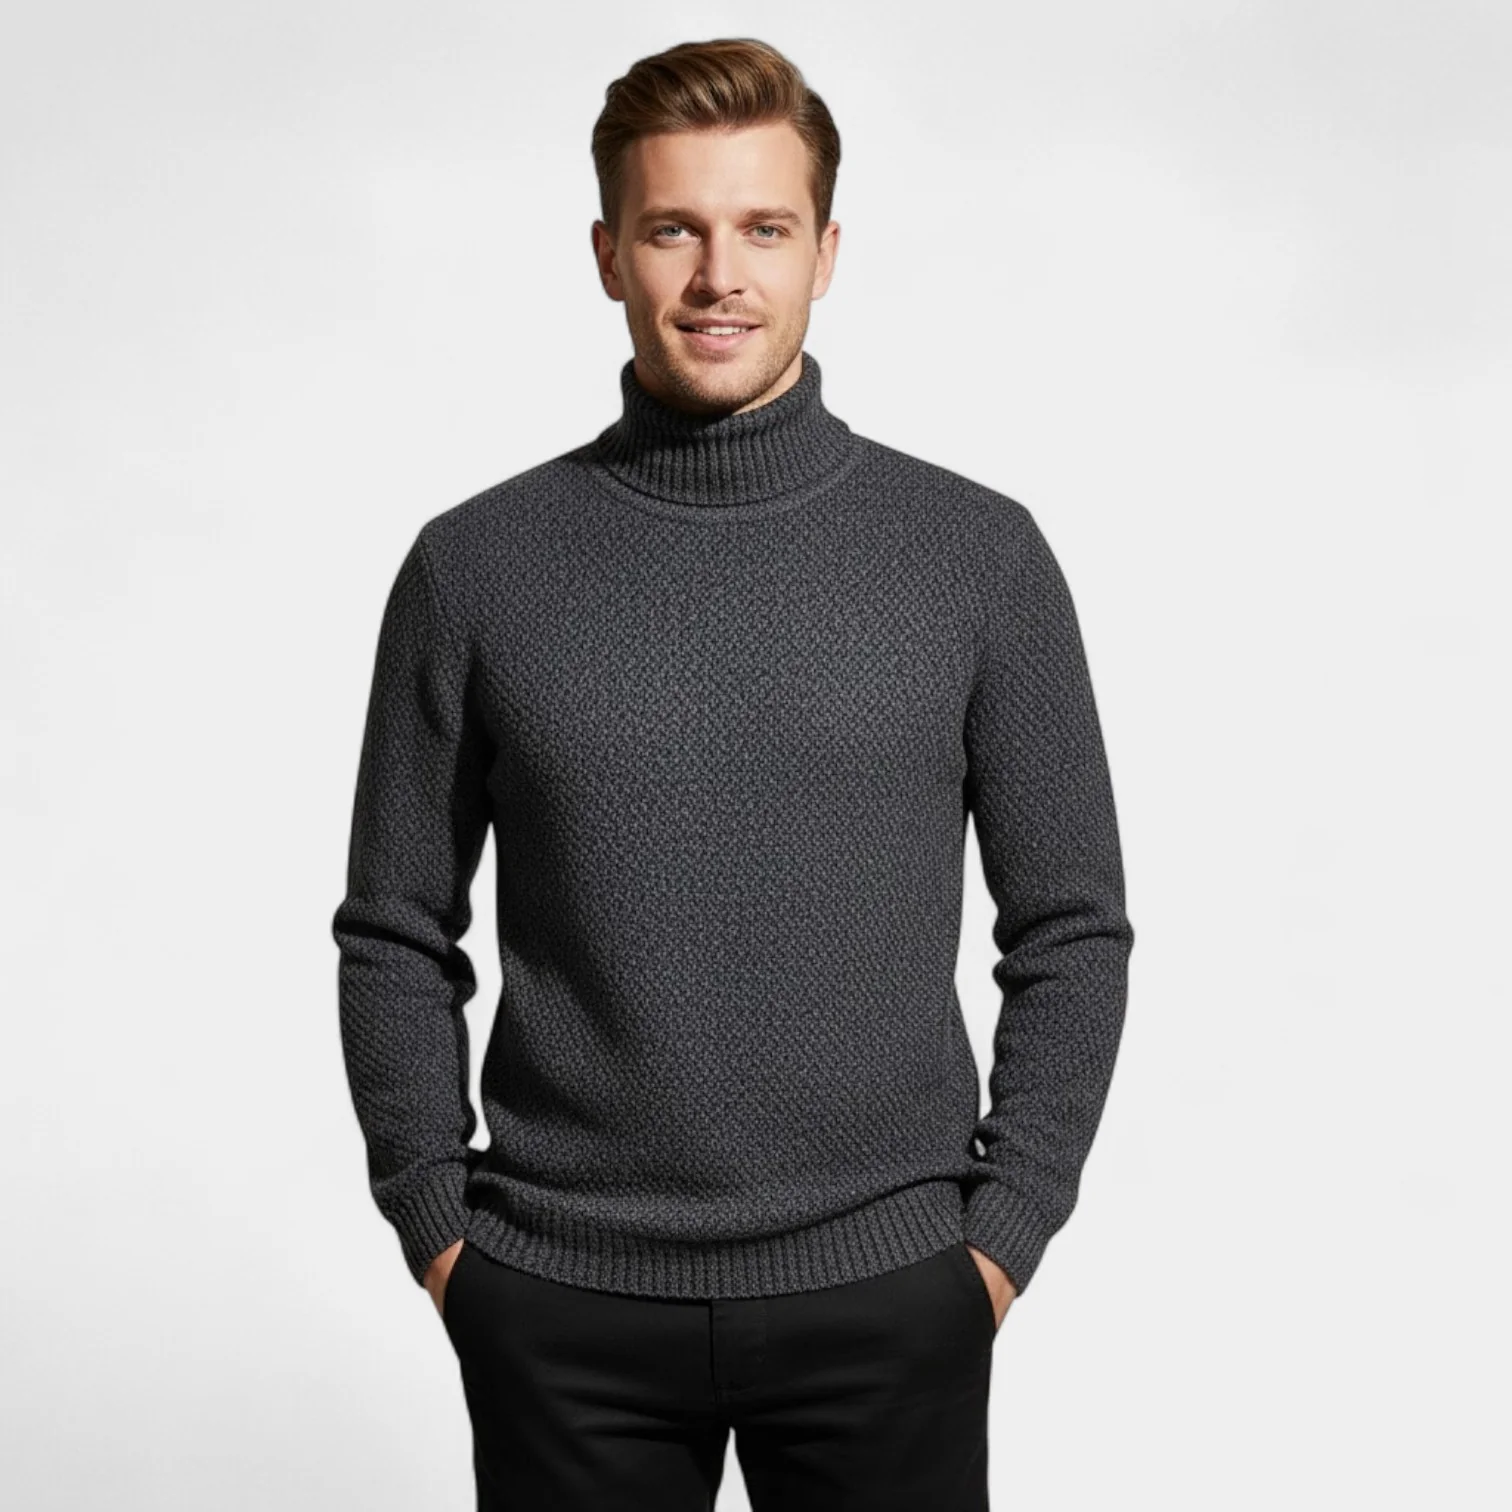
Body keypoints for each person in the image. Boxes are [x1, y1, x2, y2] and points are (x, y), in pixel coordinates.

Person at [331, 34, 1134, 1511]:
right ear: (606, 253)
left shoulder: (977, 557)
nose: (719, 276)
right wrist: (440, 1228)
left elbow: (1072, 926)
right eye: (673, 230)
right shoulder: (476, 568)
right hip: (560, 1301)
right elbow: (393, 928)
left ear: (827, 251)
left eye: (764, 227)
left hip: (892, 1286)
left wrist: (1004, 1235)